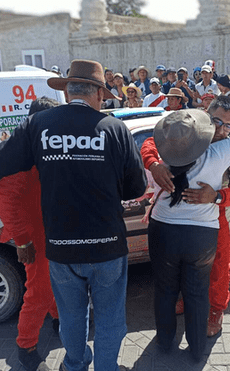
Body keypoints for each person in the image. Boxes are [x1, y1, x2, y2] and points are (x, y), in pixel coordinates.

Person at [0, 59, 146, 371]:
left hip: (61, 248)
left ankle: (75, 364)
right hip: (108, 246)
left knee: (71, 318)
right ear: (100, 95)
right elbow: (136, 188)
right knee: (109, 320)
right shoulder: (116, 129)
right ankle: (106, 367)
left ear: (68, 92)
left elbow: (4, 166)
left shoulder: (38, 125)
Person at [140, 96, 230, 338]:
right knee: (181, 267)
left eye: (229, 126)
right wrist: (153, 165)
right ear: (205, 115)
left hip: (220, 215)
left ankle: (216, 310)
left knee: (220, 265)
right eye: (216, 122)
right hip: (180, 218)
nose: (222, 130)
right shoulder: (188, 131)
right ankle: (186, 300)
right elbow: (151, 141)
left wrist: (217, 196)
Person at [0, 97, 60, 371]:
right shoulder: (18, 152)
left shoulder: (38, 144)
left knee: (55, 282)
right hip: (34, 234)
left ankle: (58, 317)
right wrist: (23, 241)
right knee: (40, 290)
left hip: (47, 229)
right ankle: (26, 348)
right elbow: (9, 202)